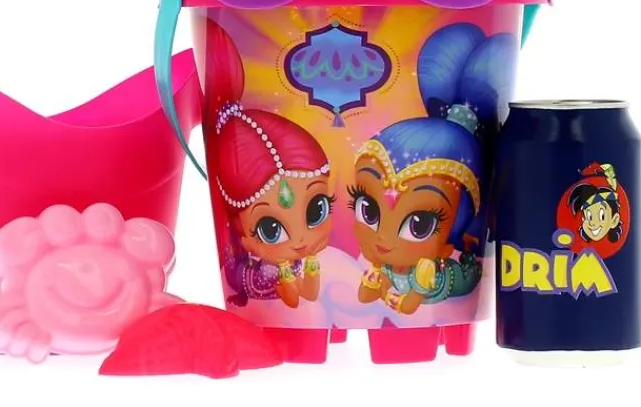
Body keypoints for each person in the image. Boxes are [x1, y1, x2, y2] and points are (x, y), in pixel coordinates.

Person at [350, 22, 517, 315]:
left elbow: (408, 306)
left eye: (419, 224)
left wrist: (385, 291)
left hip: (454, 299)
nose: (383, 239)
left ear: (449, 239)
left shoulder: (425, 273)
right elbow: (364, 298)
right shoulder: (387, 266)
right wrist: (371, 282)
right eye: (369, 211)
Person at [205, 19, 333, 309]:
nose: (301, 240)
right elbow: (293, 300)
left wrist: (311, 267)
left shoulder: (295, 259)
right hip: (266, 315)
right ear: (239, 228)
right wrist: (289, 275)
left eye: (317, 210)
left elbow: (310, 295)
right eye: (270, 229)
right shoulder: (265, 271)